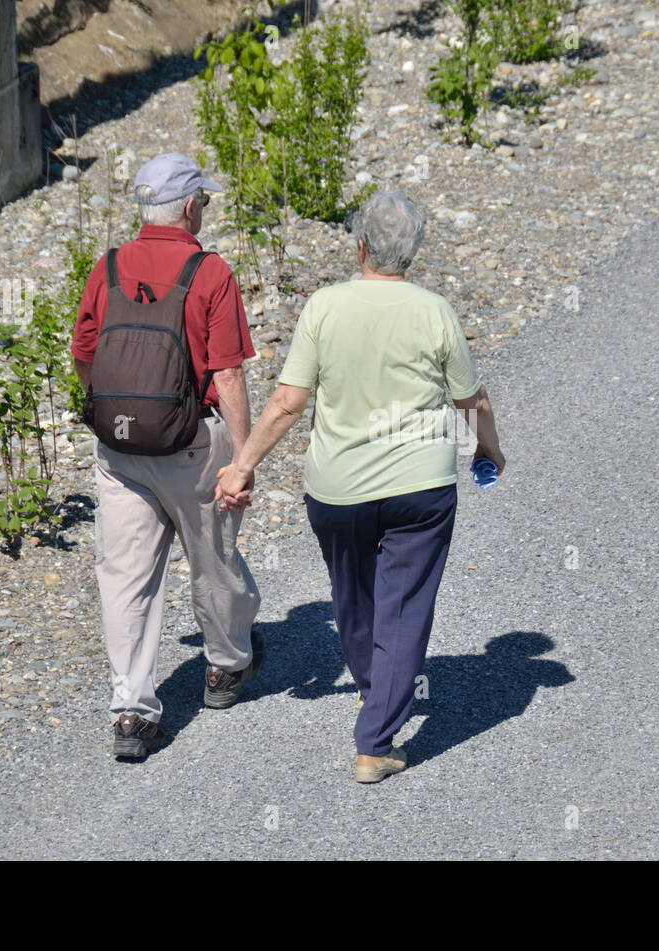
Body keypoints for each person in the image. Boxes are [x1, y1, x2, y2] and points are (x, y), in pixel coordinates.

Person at [216, 190, 505, 783]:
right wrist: (489, 448)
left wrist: (244, 464)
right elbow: (469, 398)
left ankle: (376, 699)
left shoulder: (325, 306)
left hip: (338, 488)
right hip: (419, 487)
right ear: (414, 251)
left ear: (361, 245)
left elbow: (287, 401)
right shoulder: (435, 311)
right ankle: (376, 736)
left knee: (353, 597)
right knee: (403, 605)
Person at [70, 153, 262, 759]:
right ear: (187, 206)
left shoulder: (109, 266)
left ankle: (131, 711)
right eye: (202, 199)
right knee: (213, 557)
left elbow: (83, 354)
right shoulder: (210, 271)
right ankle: (226, 665)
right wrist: (244, 458)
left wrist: (114, 408)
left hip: (119, 449)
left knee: (124, 576)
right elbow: (227, 376)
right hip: (190, 445)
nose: (204, 207)